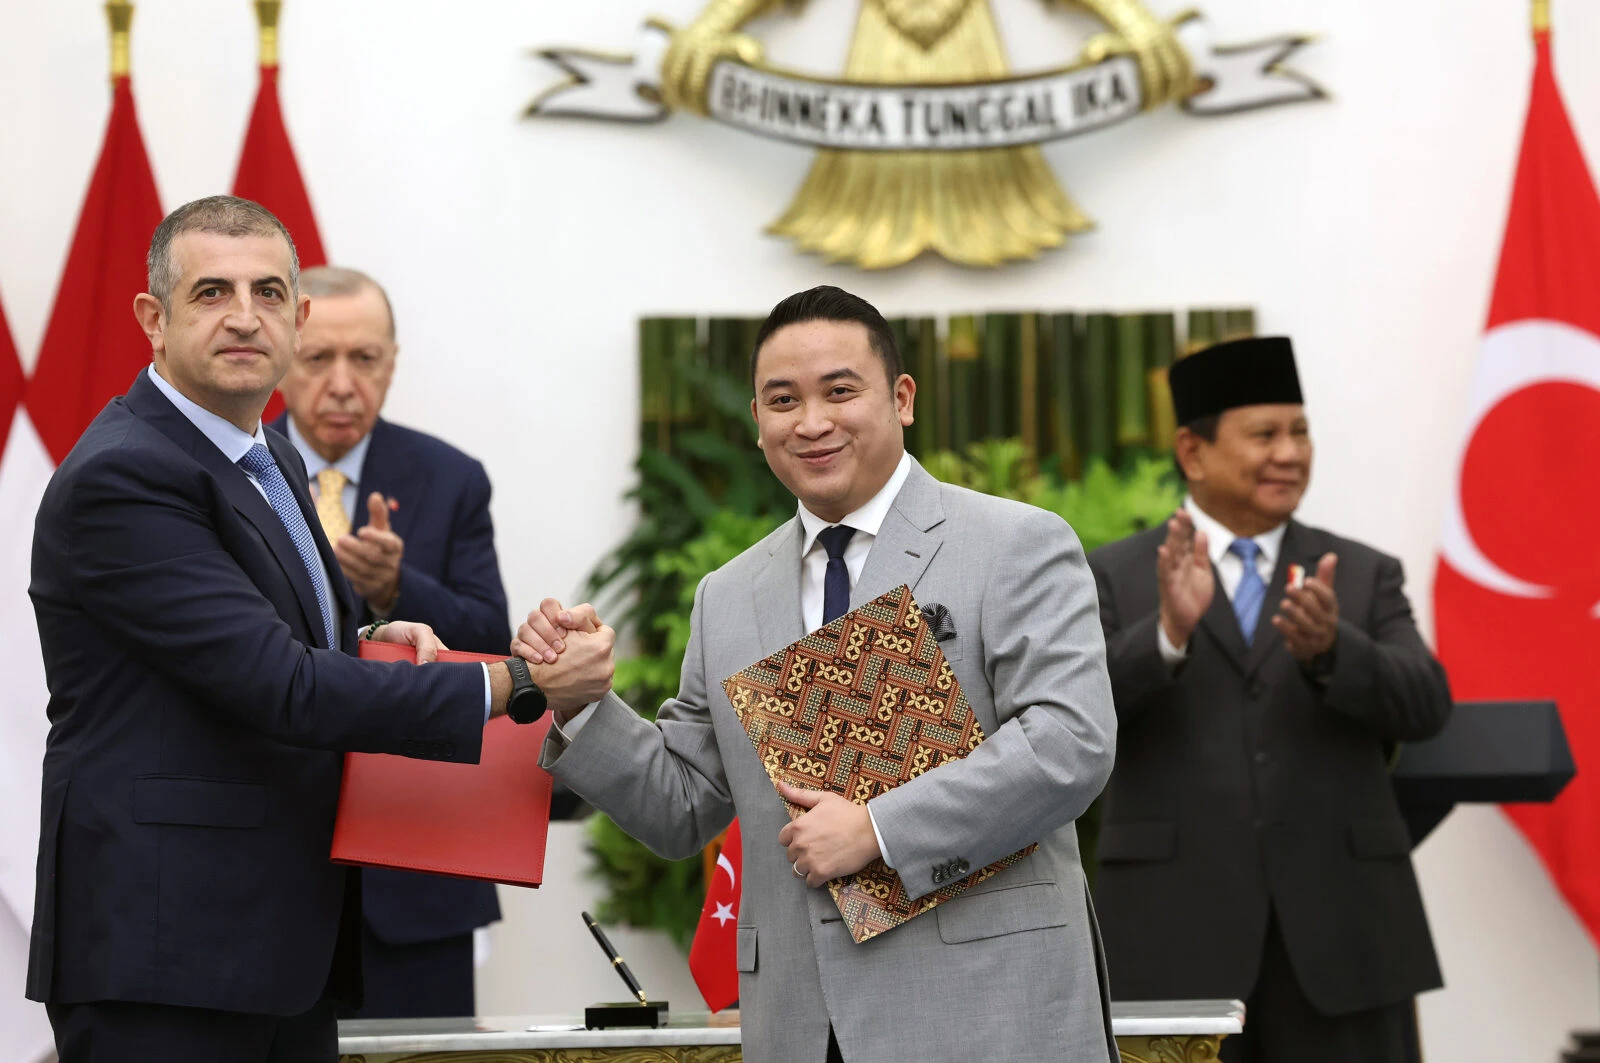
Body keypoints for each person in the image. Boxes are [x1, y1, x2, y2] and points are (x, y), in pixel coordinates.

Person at [25, 195, 613, 1063]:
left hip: (268, 947)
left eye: (268, 292)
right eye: (211, 293)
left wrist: (382, 628)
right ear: (154, 319)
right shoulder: (128, 475)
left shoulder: (267, 455)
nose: (243, 316)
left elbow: (286, 646)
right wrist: (518, 685)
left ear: (295, 318)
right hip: (165, 954)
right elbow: (281, 685)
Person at [517, 286, 1118, 1063]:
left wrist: (878, 828)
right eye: (782, 399)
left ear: (901, 398)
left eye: (840, 390)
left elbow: (1069, 743)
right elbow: (682, 805)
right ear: (758, 423)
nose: (812, 421)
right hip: (802, 1025)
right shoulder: (728, 594)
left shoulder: (1013, 543)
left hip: (987, 1010)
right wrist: (582, 704)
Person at [1086, 336, 1451, 1063]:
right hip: (1173, 934)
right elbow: (1076, 716)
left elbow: (1425, 703)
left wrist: (1335, 650)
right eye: (1265, 434)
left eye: (1300, 431)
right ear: (1193, 452)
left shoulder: (1361, 573)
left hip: (1344, 937)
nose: (1290, 452)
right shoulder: (1119, 574)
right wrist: (1163, 635)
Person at [270, 265, 507, 1018]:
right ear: (281, 357)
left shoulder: (448, 477)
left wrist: (397, 591)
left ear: (393, 362)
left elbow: (492, 648)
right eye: (318, 358)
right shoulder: (230, 473)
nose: (342, 383)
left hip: (419, 861)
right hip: (270, 864)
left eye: (365, 359)